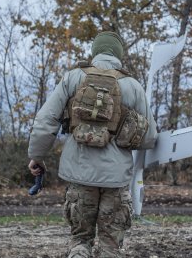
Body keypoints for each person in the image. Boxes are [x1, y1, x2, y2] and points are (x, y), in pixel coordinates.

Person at [28, 31, 157, 258]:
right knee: (110, 246)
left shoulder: (73, 78)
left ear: (95, 51)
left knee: (80, 241)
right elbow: (149, 137)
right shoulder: (133, 86)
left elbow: (45, 121)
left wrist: (37, 157)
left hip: (78, 175)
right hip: (115, 179)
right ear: (119, 55)